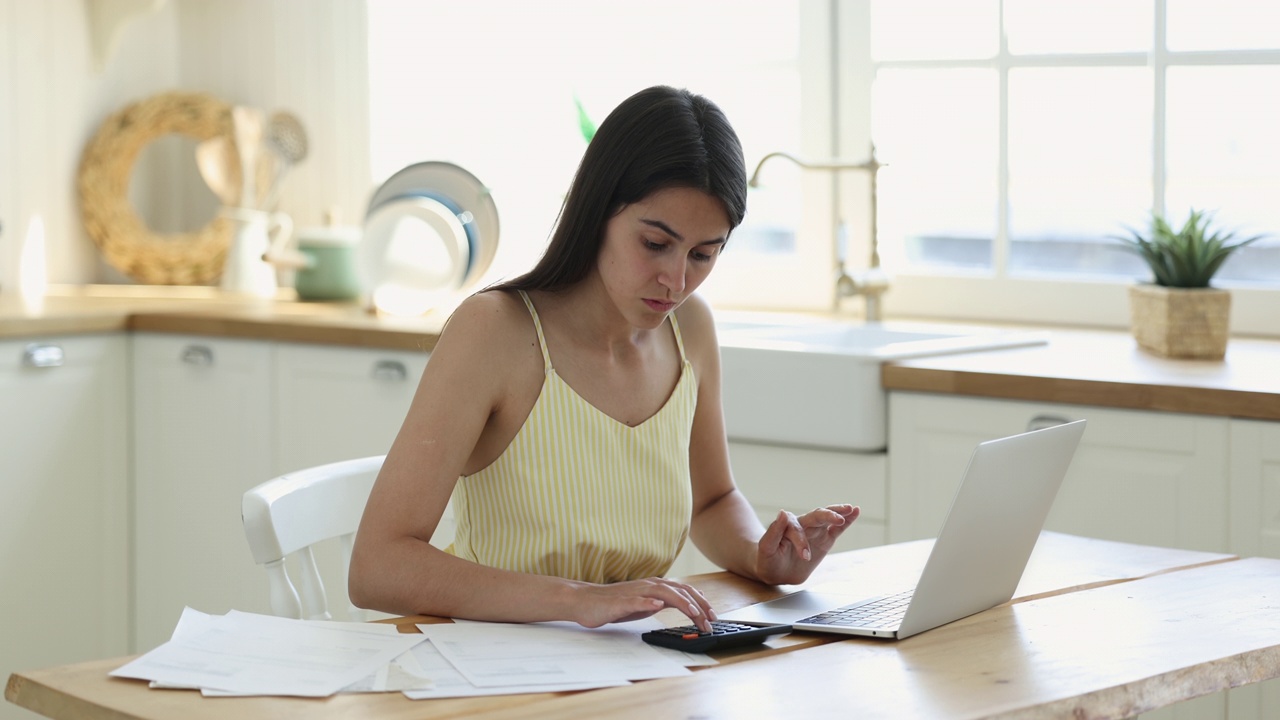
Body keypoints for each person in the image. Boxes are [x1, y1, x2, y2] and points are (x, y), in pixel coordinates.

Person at [348, 85, 859, 632]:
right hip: (489, 661)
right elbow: (378, 567)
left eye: (704, 254)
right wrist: (576, 600)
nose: (677, 280)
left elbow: (712, 501)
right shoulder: (496, 332)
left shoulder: (690, 330)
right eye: (655, 244)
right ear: (598, 212)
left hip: (627, 662)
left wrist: (760, 555)